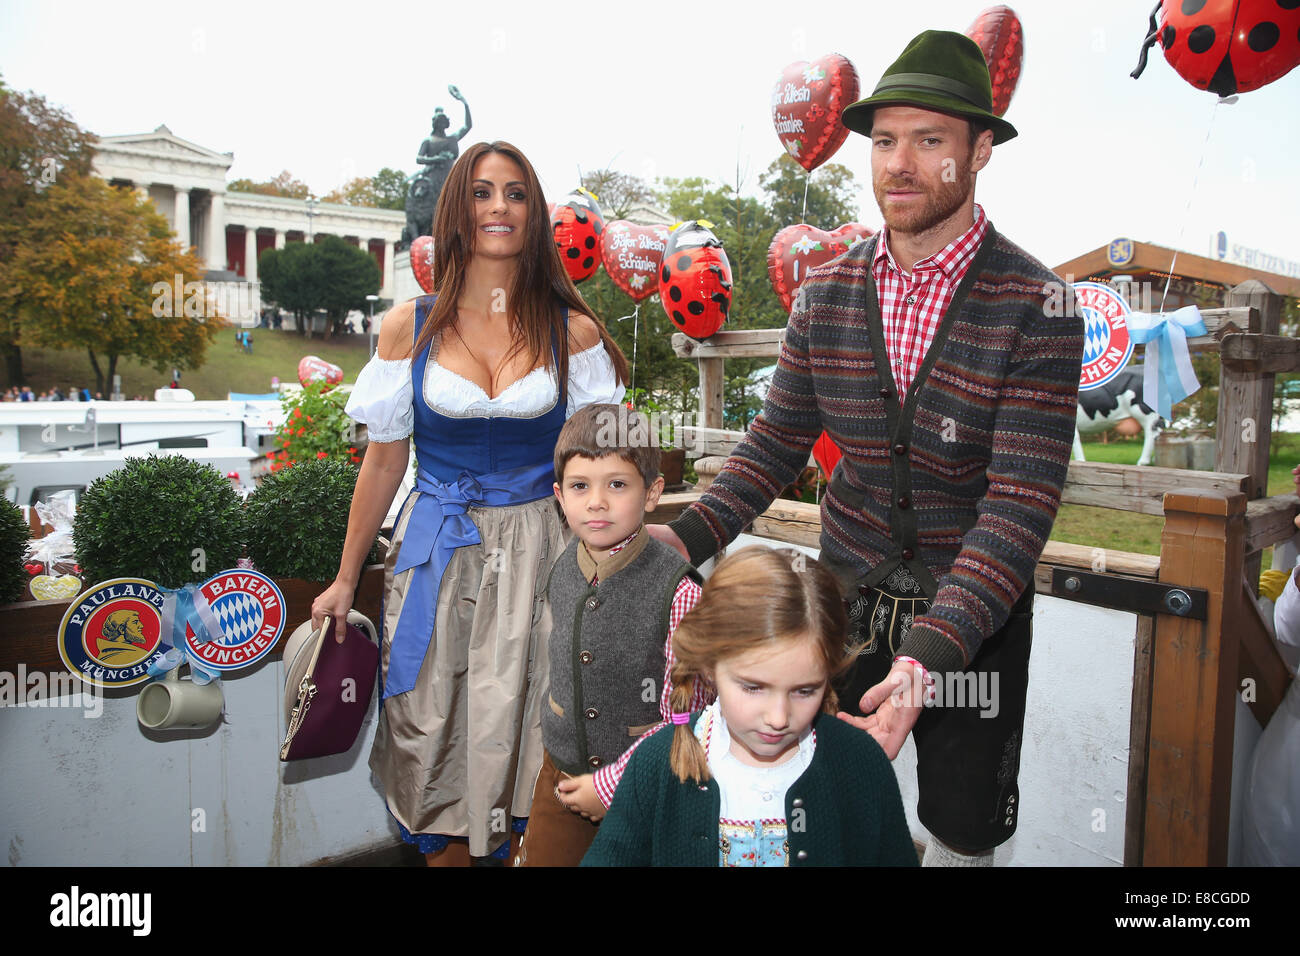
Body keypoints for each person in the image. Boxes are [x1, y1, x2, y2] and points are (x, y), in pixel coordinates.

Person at [650, 30, 1084, 867]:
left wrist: (928, 659)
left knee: (961, 837)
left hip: (975, 628)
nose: (899, 163)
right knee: (822, 818)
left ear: (980, 150)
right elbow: (775, 443)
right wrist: (686, 535)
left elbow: (1019, 505)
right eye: (885, 140)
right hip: (842, 608)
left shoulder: (1038, 305)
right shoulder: (826, 295)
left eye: (929, 140)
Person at [311, 141, 630, 866]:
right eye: (483, 193)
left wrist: (626, 567)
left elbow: (609, 466)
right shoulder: (409, 326)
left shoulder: (572, 332)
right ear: (458, 210)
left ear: (535, 212)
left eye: (516, 194)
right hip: (437, 557)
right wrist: (342, 577)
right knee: (433, 732)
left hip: (547, 557)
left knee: (534, 731)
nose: (499, 208)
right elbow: (385, 460)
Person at [582, 546, 917, 867]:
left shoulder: (860, 764)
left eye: (804, 691)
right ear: (711, 667)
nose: (778, 718)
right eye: (753, 687)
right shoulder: (656, 763)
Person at [512, 403, 706, 867]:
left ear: (652, 492)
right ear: (560, 496)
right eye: (580, 486)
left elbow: (688, 717)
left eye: (617, 484)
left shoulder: (679, 591)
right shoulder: (562, 567)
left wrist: (612, 783)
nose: (596, 501)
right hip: (560, 779)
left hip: (647, 787)